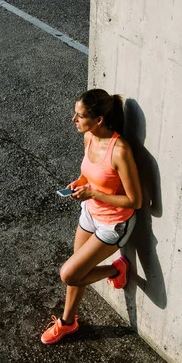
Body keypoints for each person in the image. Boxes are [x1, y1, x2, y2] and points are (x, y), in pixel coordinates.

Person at [41, 89, 142, 345]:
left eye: (80, 115)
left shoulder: (120, 151)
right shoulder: (89, 137)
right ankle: (67, 323)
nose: (73, 119)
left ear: (98, 120)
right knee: (76, 273)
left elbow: (135, 201)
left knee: (69, 274)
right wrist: (80, 182)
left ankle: (116, 269)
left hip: (114, 222)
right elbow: (90, 173)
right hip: (90, 211)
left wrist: (93, 192)